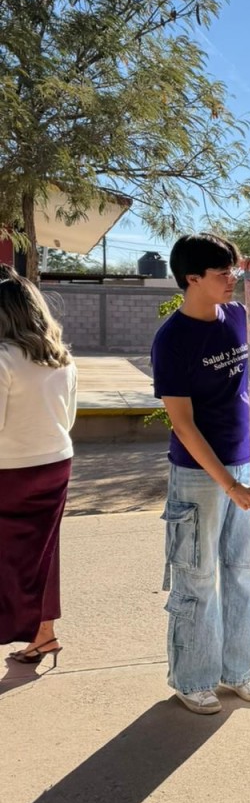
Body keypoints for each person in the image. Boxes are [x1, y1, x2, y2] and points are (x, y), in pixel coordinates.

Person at [151, 233, 250, 715]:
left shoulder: (236, 315)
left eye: (233, 270)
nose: (231, 280)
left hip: (245, 463)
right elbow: (183, 424)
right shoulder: (172, 339)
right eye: (222, 273)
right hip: (199, 475)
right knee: (197, 580)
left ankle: (238, 672)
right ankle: (193, 679)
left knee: (242, 574)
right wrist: (229, 484)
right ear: (191, 278)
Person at [0, 265, 77, 665]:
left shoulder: (3, 358)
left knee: (10, 555)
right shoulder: (62, 359)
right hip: (55, 462)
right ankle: (44, 634)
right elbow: (69, 418)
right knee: (43, 550)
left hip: (10, 470)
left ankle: (32, 631)